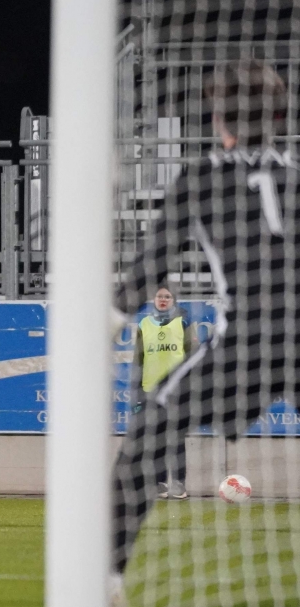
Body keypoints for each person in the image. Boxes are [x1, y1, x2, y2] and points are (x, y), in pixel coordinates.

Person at [109, 61, 298, 602]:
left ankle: (107, 578)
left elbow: (153, 263)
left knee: (144, 442)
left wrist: (109, 321)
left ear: (218, 119)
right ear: (279, 118)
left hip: (244, 346)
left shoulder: (200, 178)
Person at [130, 285, 197, 500]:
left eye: (167, 296)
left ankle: (178, 483)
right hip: (150, 391)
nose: (163, 300)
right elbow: (138, 361)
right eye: (160, 296)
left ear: (173, 300)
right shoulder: (144, 324)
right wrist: (137, 393)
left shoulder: (184, 322)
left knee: (176, 437)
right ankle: (159, 483)